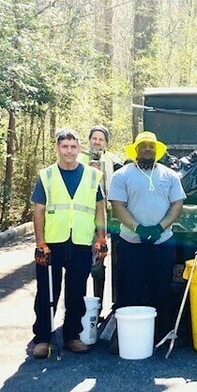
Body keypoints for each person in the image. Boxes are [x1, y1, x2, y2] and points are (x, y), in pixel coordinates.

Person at [30, 129, 106, 358]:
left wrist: (101, 238)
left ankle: (72, 336)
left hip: (81, 242)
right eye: (65, 146)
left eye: (73, 147)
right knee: (46, 293)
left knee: (76, 292)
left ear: (79, 149)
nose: (69, 151)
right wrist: (40, 243)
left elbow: (100, 209)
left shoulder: (93, 176)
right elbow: (39, 211)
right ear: (57, 148)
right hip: (52, 243)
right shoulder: (47, 176)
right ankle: (42, 338)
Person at [107, 131, 185, 349]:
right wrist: (138, 227)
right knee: (130, 288)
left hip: (162, 242)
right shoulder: (122, 175)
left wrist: (160, 227)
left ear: (157, 150)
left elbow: (177, 204)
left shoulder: (170, 175)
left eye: (152, 146)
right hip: (132, 242)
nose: (148, 149)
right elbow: (118, 206)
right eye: (144, 146)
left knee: (161, 288)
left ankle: (162, 335)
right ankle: (125, 338)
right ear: (136, 150)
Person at [77, 124, 122, 305]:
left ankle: (100, 304)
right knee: (86, 264)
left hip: (108, 215)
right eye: (94, 138)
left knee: (105, 262)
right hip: (84, 217)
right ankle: (80, 306)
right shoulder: (77, 157)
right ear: (89, 140)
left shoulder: (113, 159)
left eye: (101, 139)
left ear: (106, 143)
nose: (97, 142)